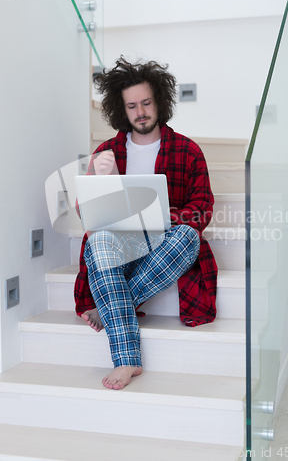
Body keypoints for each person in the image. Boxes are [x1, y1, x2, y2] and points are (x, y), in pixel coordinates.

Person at [74, 57, 218, 390]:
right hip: (120, 245)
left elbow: (203, 207)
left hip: (166, 244)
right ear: (121, 110)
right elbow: (89, 217)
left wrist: (171, 216)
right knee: (97, 241)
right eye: (132, 105)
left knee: (188, 237)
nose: (140, 111)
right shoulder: (107, 152)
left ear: (159, 101)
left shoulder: (188, 150)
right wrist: (101, 177)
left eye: (146, 102)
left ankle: (111, 307)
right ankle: (127, 360)